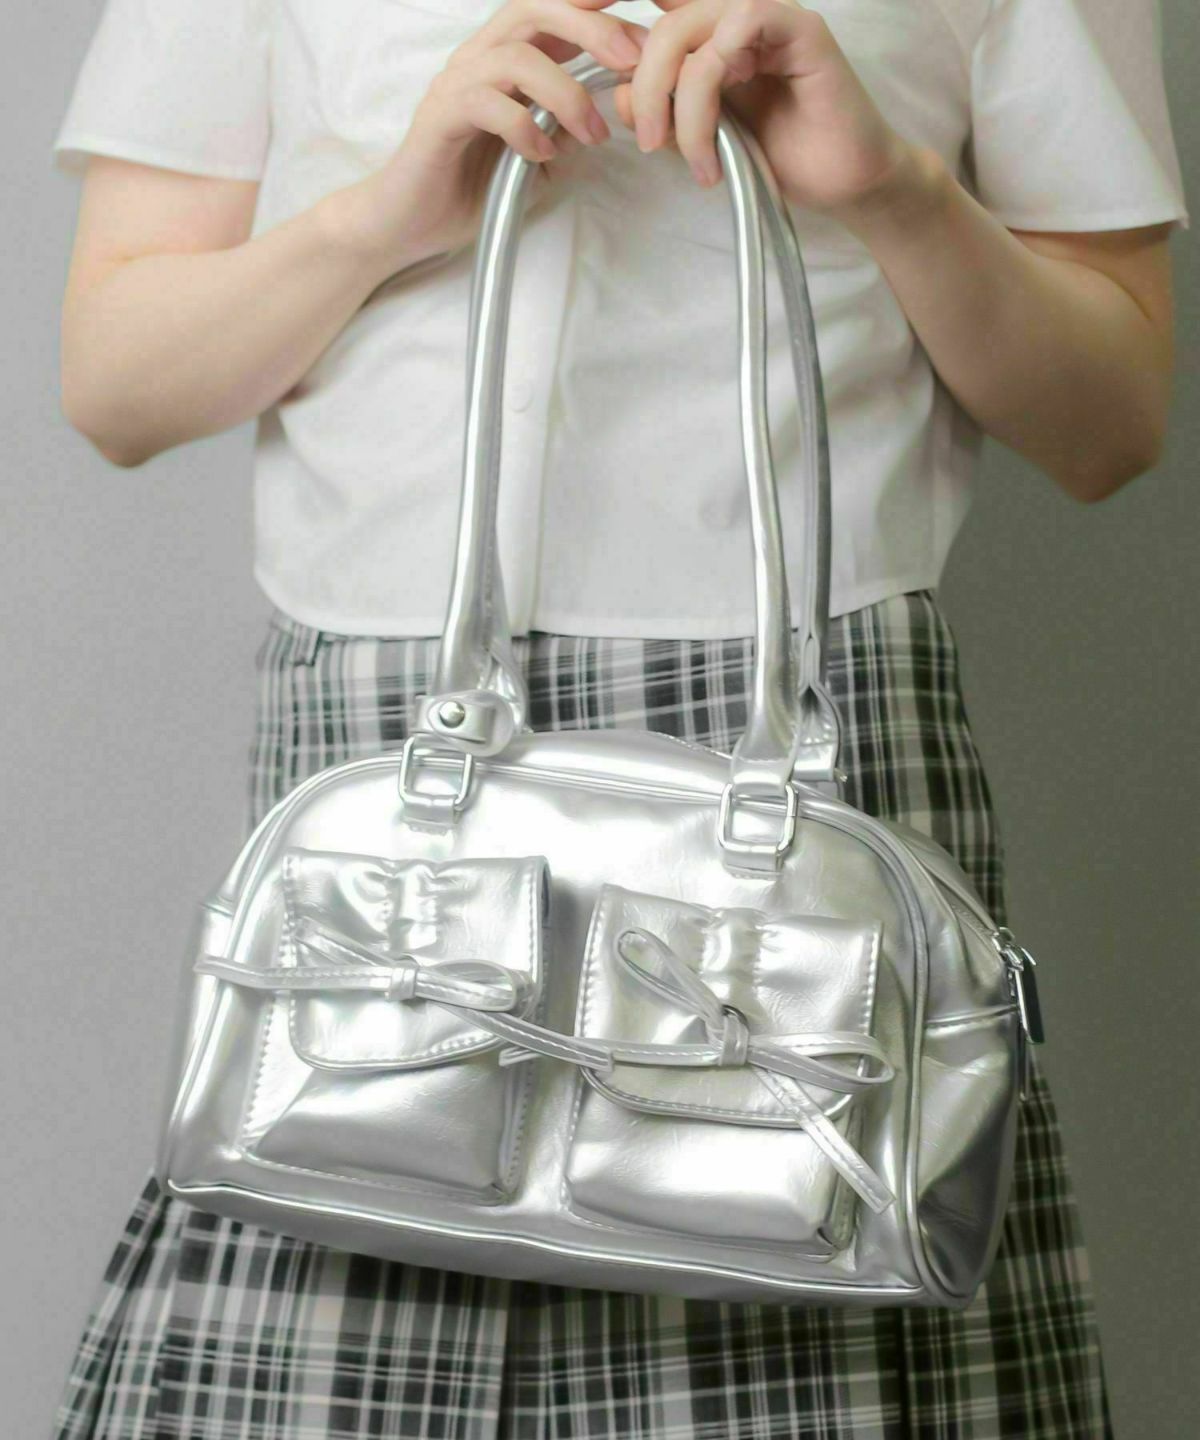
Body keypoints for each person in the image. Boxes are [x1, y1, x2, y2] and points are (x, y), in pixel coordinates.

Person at [50, 0, 1187, 1435]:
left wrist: (889, 187)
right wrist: (384, 217)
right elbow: (118, 385)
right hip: (391, 747)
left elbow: (1108, 426)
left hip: (816, 744)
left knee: (821, 1323)